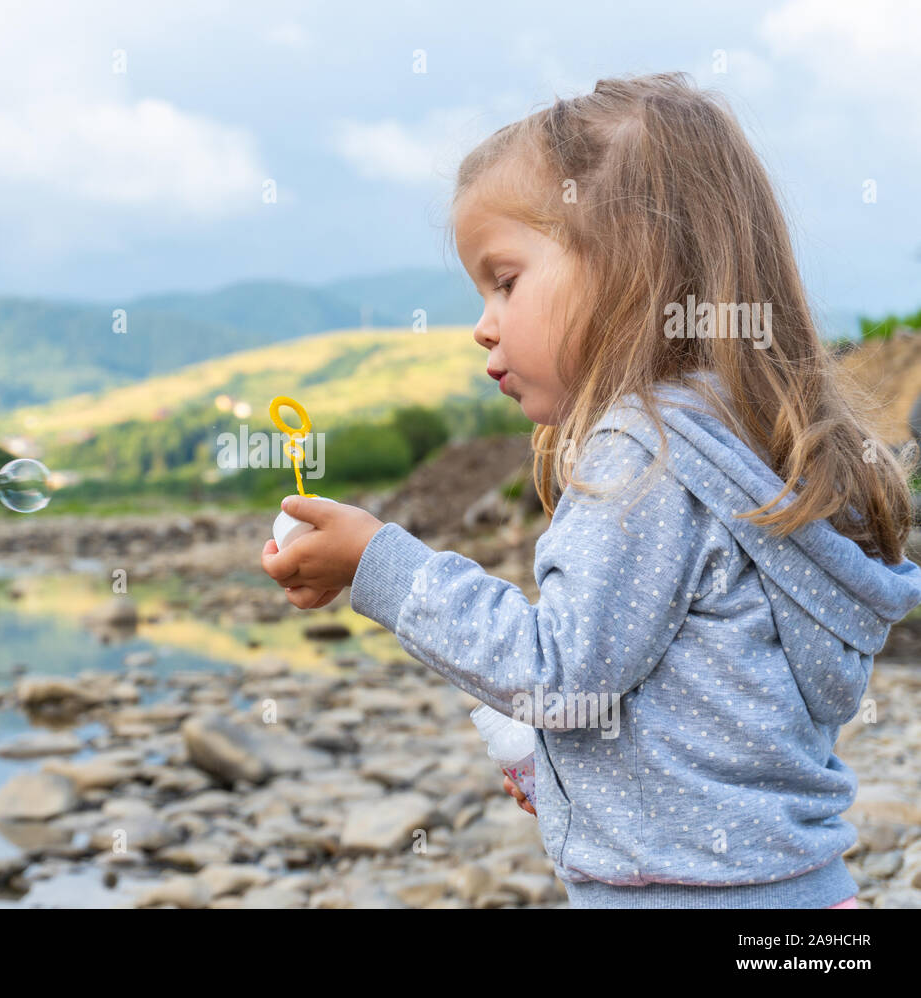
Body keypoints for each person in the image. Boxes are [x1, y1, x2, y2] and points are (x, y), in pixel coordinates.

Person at [260, 72, 921, 908]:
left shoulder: (644, 451)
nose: (482, 324)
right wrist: (574, 774)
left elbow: (562, 675)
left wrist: (377, 563)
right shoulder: (742, 449)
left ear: (631, 269)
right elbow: (718, 706)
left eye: (505, 280)